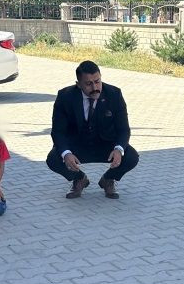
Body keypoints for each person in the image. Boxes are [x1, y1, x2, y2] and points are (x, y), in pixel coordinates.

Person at [46, 61, 138, 199]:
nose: (95, 87)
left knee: (131, 157)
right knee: (53, 158)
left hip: (106, 145)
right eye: (88, 84)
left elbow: (123, 129)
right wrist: (66, 153)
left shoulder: (114, 94)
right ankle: (79, 179)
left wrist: (119, 149)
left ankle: (108, 179)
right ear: (78, 84)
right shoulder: (65, 97)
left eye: (97, 81)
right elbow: (58, 131)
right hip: (78, 145)